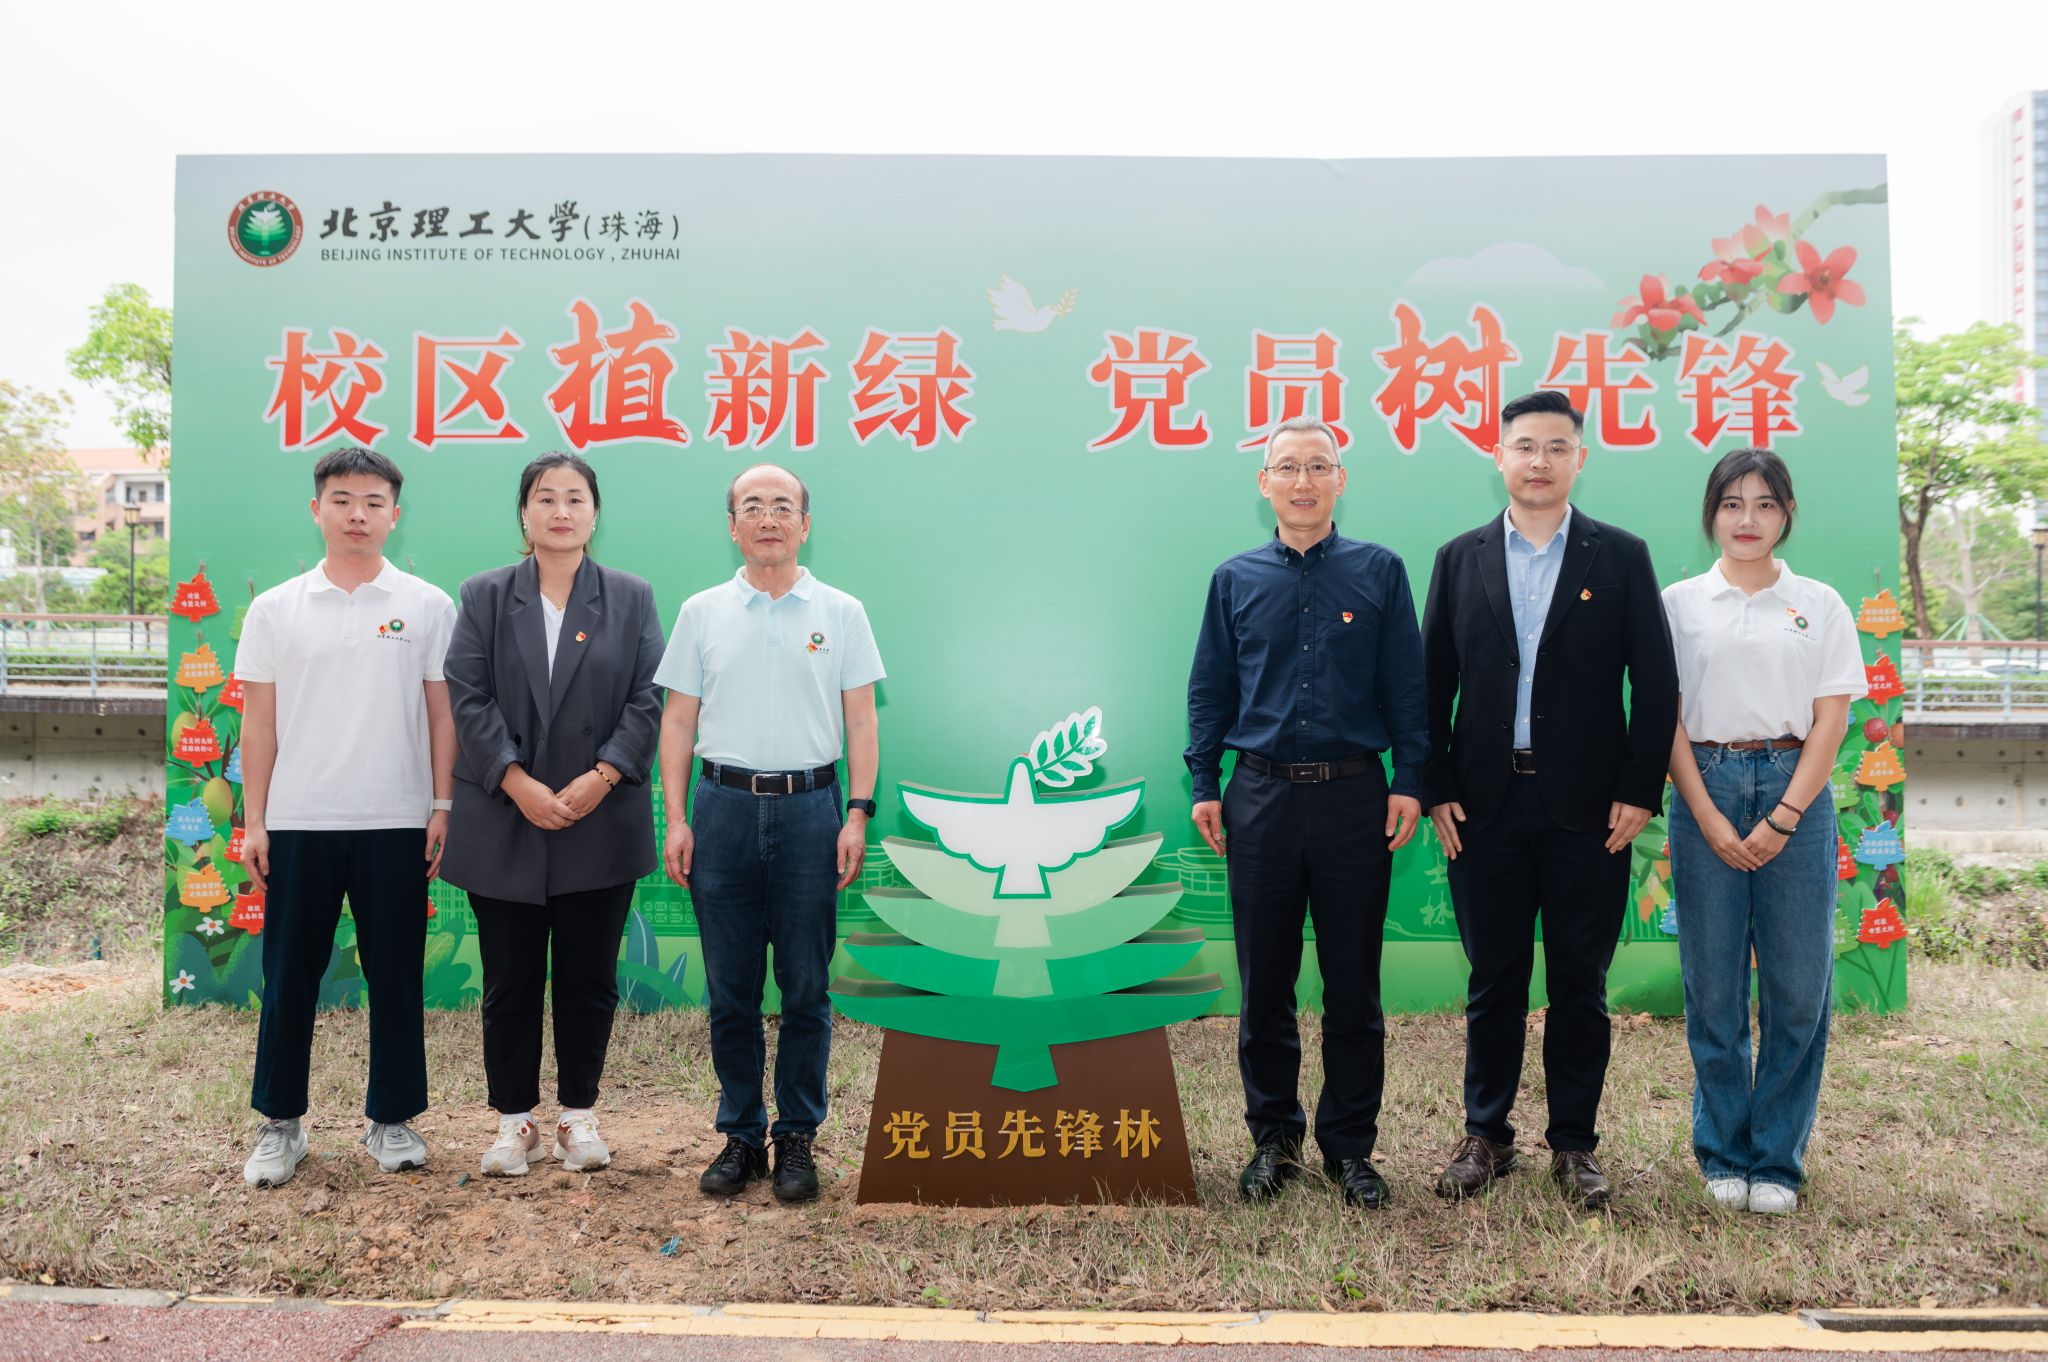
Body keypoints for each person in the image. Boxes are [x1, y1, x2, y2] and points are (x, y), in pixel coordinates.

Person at [1420, 390, 1678, 1210]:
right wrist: (1435, 788)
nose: (1539, 461)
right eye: (1525, 446)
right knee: (1493, 979)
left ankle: (1574, 1144)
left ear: (1579, 459)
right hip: (1484, 807)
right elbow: (1429, 686)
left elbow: (1657, 681)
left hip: (1591, 812)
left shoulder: (1621, 555)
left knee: (1579, 982)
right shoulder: (1458, 558)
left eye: (1556, 447)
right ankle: (1486, 1136)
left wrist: (1639, 788)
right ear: (1499, 456)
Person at [1185, 414, 1428, 1209]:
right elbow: (1210, 688)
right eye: (1287, 467)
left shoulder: (1380, 571)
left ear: (1340, 481)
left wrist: (1410, 778)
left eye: (1318, 466)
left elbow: (1407, 685)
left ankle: (1349, 1148)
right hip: (1258, 798)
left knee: (1354, 983)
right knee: (1266, 983)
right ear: (1265, 484)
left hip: (1356, 797)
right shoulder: (1233, 579)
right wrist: (1204, 782)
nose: (1303, 480)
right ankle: (1273, 1140)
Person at [657, 464, 883, 1203]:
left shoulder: (841, 611)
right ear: (733, 527)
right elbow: (678, 722)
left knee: (806, 988)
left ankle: (797, 1138)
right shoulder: (702, 612)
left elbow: (861, 721)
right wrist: (677, 818)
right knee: (731, 990)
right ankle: (741, 1135)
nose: (768, 518)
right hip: (721, 807)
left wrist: (858, 813)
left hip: (812, 810)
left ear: (804, 524)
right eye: (751, 506)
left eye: (782, 506)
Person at [440, 451, 666, 1177]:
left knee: (587, 976)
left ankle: (577, 1115)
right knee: (508, 978)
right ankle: (515, 1123)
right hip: (505, 813)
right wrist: (515, 781)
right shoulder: (484, 595)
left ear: (595, 514)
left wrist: (604, 775)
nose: (560, 511)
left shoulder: (630, 596)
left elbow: (649, 697)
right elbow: (467, 695)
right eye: (545, 497)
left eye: (575, 498)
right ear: (524, 513)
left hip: (599, 812)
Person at [236, 446, 456, 1189]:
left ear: (394, 514)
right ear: (317, 509)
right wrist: (255, 820)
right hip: (299, 819)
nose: (357, 515)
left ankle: (391, 1118)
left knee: (395, 975)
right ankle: (281, 1123)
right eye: (342, 500)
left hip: (395, 819)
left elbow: (442, 715)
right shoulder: (275, 608)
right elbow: (258, 723)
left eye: (372, 502)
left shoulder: (427, 605)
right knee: (288, 975)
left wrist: (441, 803)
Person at [1661, 448, 1859, 1216]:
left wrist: (1784, 816)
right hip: (1703, 784)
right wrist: (1707, 814)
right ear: (1712, 512)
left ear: (1787, 514)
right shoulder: (1679, 605)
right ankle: (1723, 1153)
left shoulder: (1820, 604)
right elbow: (1666, 719)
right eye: (1733, 503)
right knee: (1712, 987)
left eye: (1765, 504)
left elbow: (1831, 720)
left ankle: (1777, 1159)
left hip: (1793, 787)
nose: (1748, 519)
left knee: (1797, 990)